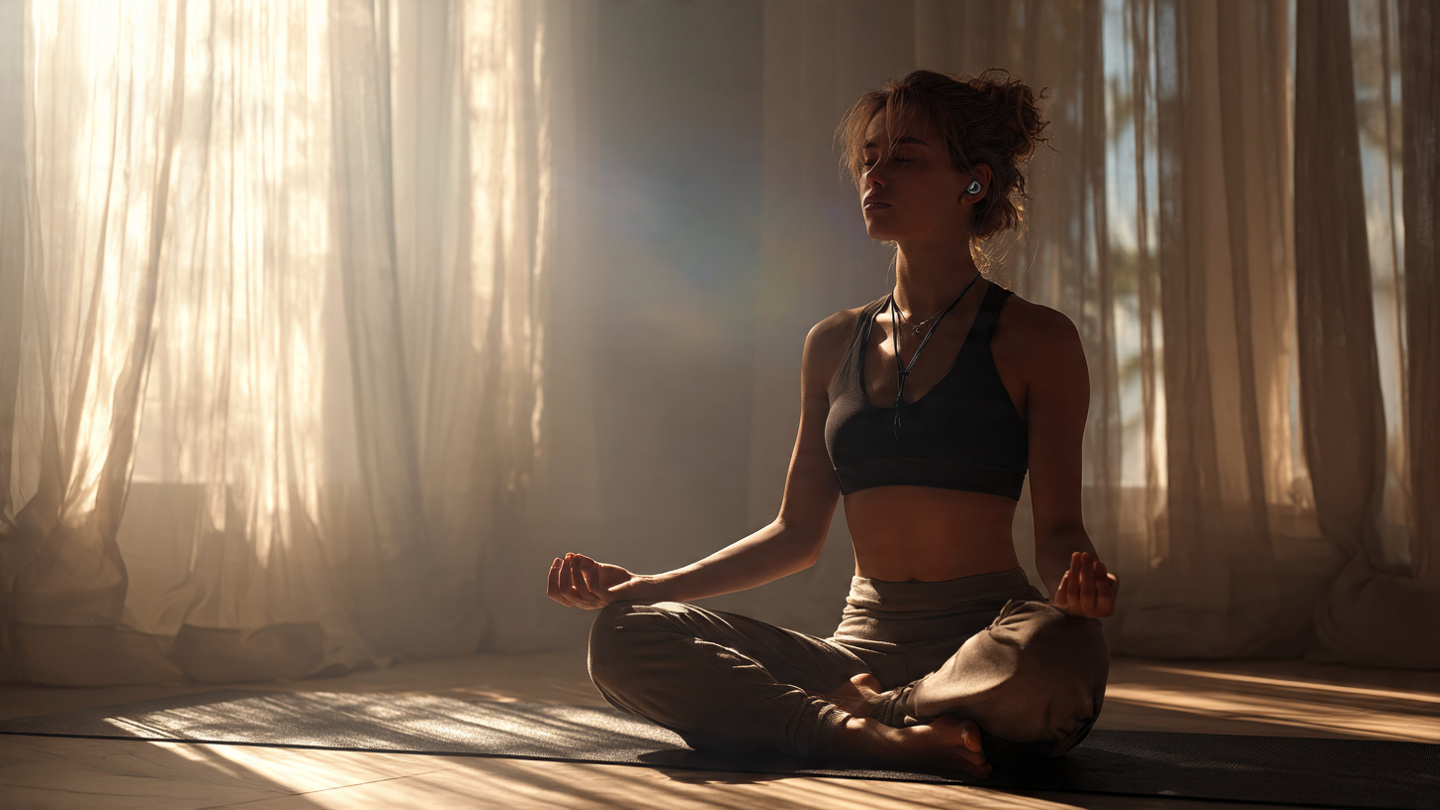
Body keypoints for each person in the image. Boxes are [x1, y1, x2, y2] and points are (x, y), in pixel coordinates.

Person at [546, 69, 1118, 778]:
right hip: (854, 652)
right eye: (869, 157)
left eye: (905, 157)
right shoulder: (831, 343)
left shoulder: (1037, 339)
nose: (877, 175)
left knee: (1066, 651)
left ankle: (860, 716)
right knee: (624, 636)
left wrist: (1078, 588)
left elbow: (1060, 532)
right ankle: (873, 728)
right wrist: (647, 585)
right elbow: (795, 534)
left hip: (983, 640)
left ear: (973, 183)